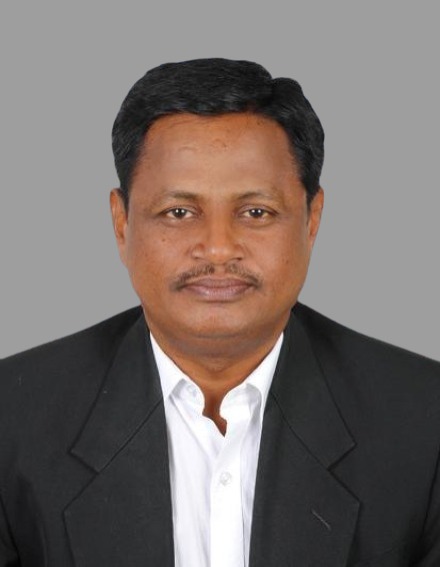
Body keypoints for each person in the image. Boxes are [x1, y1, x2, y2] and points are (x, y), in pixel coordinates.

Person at [1, 58, 440, 567]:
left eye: (255, 212)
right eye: (179, 212)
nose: (216, 248)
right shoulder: (13, 421)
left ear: (312, 220)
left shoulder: (424, 424)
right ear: (122, 224)